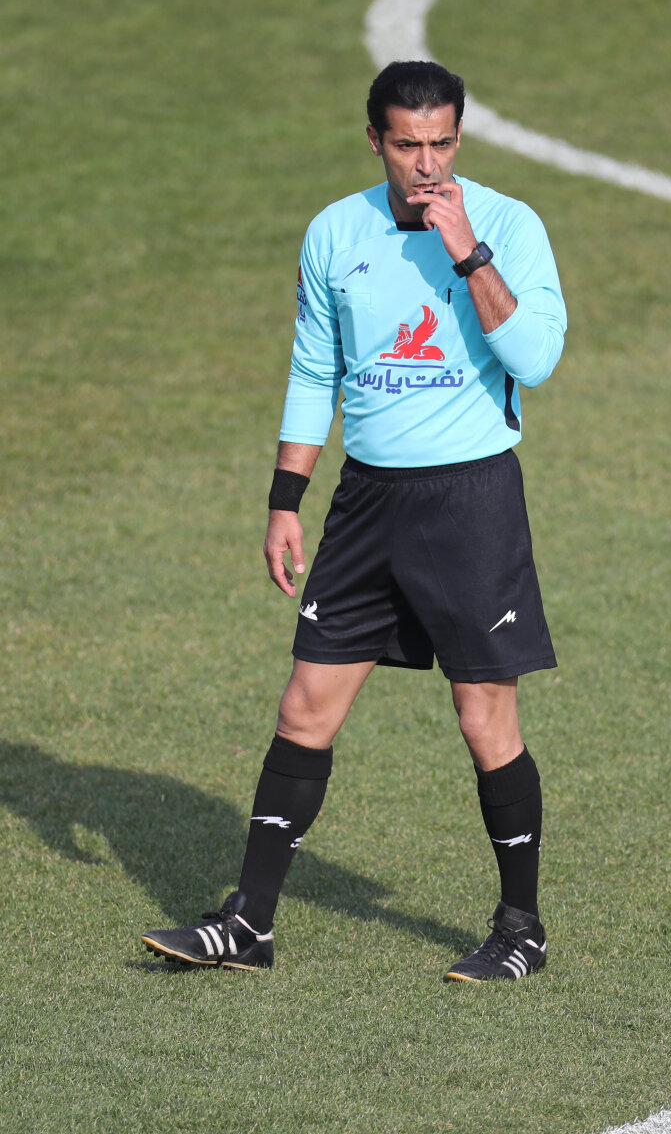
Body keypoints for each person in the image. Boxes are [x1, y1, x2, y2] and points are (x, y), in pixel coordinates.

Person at [141, 61, 567, 981]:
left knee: (484, 718)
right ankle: (249, 924)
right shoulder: (335, 232)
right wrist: (284, 500)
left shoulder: (510, 226)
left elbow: (534, 359)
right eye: (408, 145)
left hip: (471, 503)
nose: (427, 165)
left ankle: (522, 928)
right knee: (305, 706)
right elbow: (313, 369)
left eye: (442, 144)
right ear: (375, 139)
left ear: (460, 137)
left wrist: (469, 253)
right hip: (368, 505)